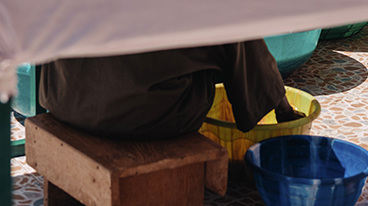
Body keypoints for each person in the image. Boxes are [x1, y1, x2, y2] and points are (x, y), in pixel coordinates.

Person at [38, 39, 302, 142]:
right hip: (141, 120)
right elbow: (246, 40)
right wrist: (285, 110)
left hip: (62, 96)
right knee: (231, 28)